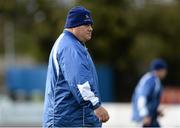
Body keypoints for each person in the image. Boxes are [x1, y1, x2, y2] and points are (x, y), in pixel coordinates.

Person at [43, 6, 109, 127]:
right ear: (74, 26)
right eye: (86, 25)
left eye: (91, 25)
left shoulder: (71, 44)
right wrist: (96, 105)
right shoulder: (70, 47)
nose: (91, 29)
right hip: (70, 121)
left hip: (72, 119)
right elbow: (80, 82)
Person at [132, 59, 168, 127]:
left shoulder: (154, 80)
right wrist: (144, 115)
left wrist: (156, 110)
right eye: (165, 70)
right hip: (145, 119)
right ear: (160, 70)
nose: (166, 72)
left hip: (151, 118)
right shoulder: (151, 81)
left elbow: (150, 100)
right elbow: (142, 97)